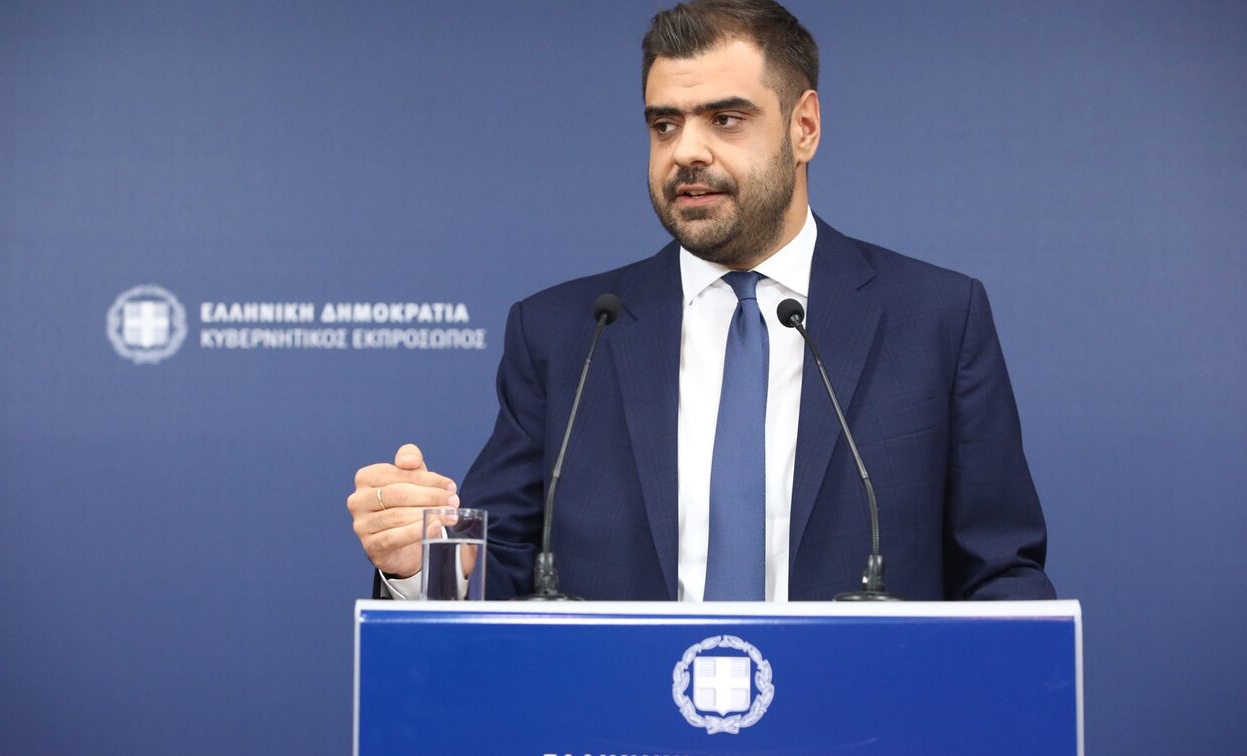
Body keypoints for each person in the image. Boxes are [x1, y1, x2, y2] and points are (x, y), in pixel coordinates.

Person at [347, 0, 1055, 601]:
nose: (686, 151)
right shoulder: (566, 335)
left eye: (725, 119)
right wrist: (418, 565)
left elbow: (1001, 575)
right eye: (665, 125)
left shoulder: (936, 319)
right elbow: (496, 573)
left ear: (804, 127)